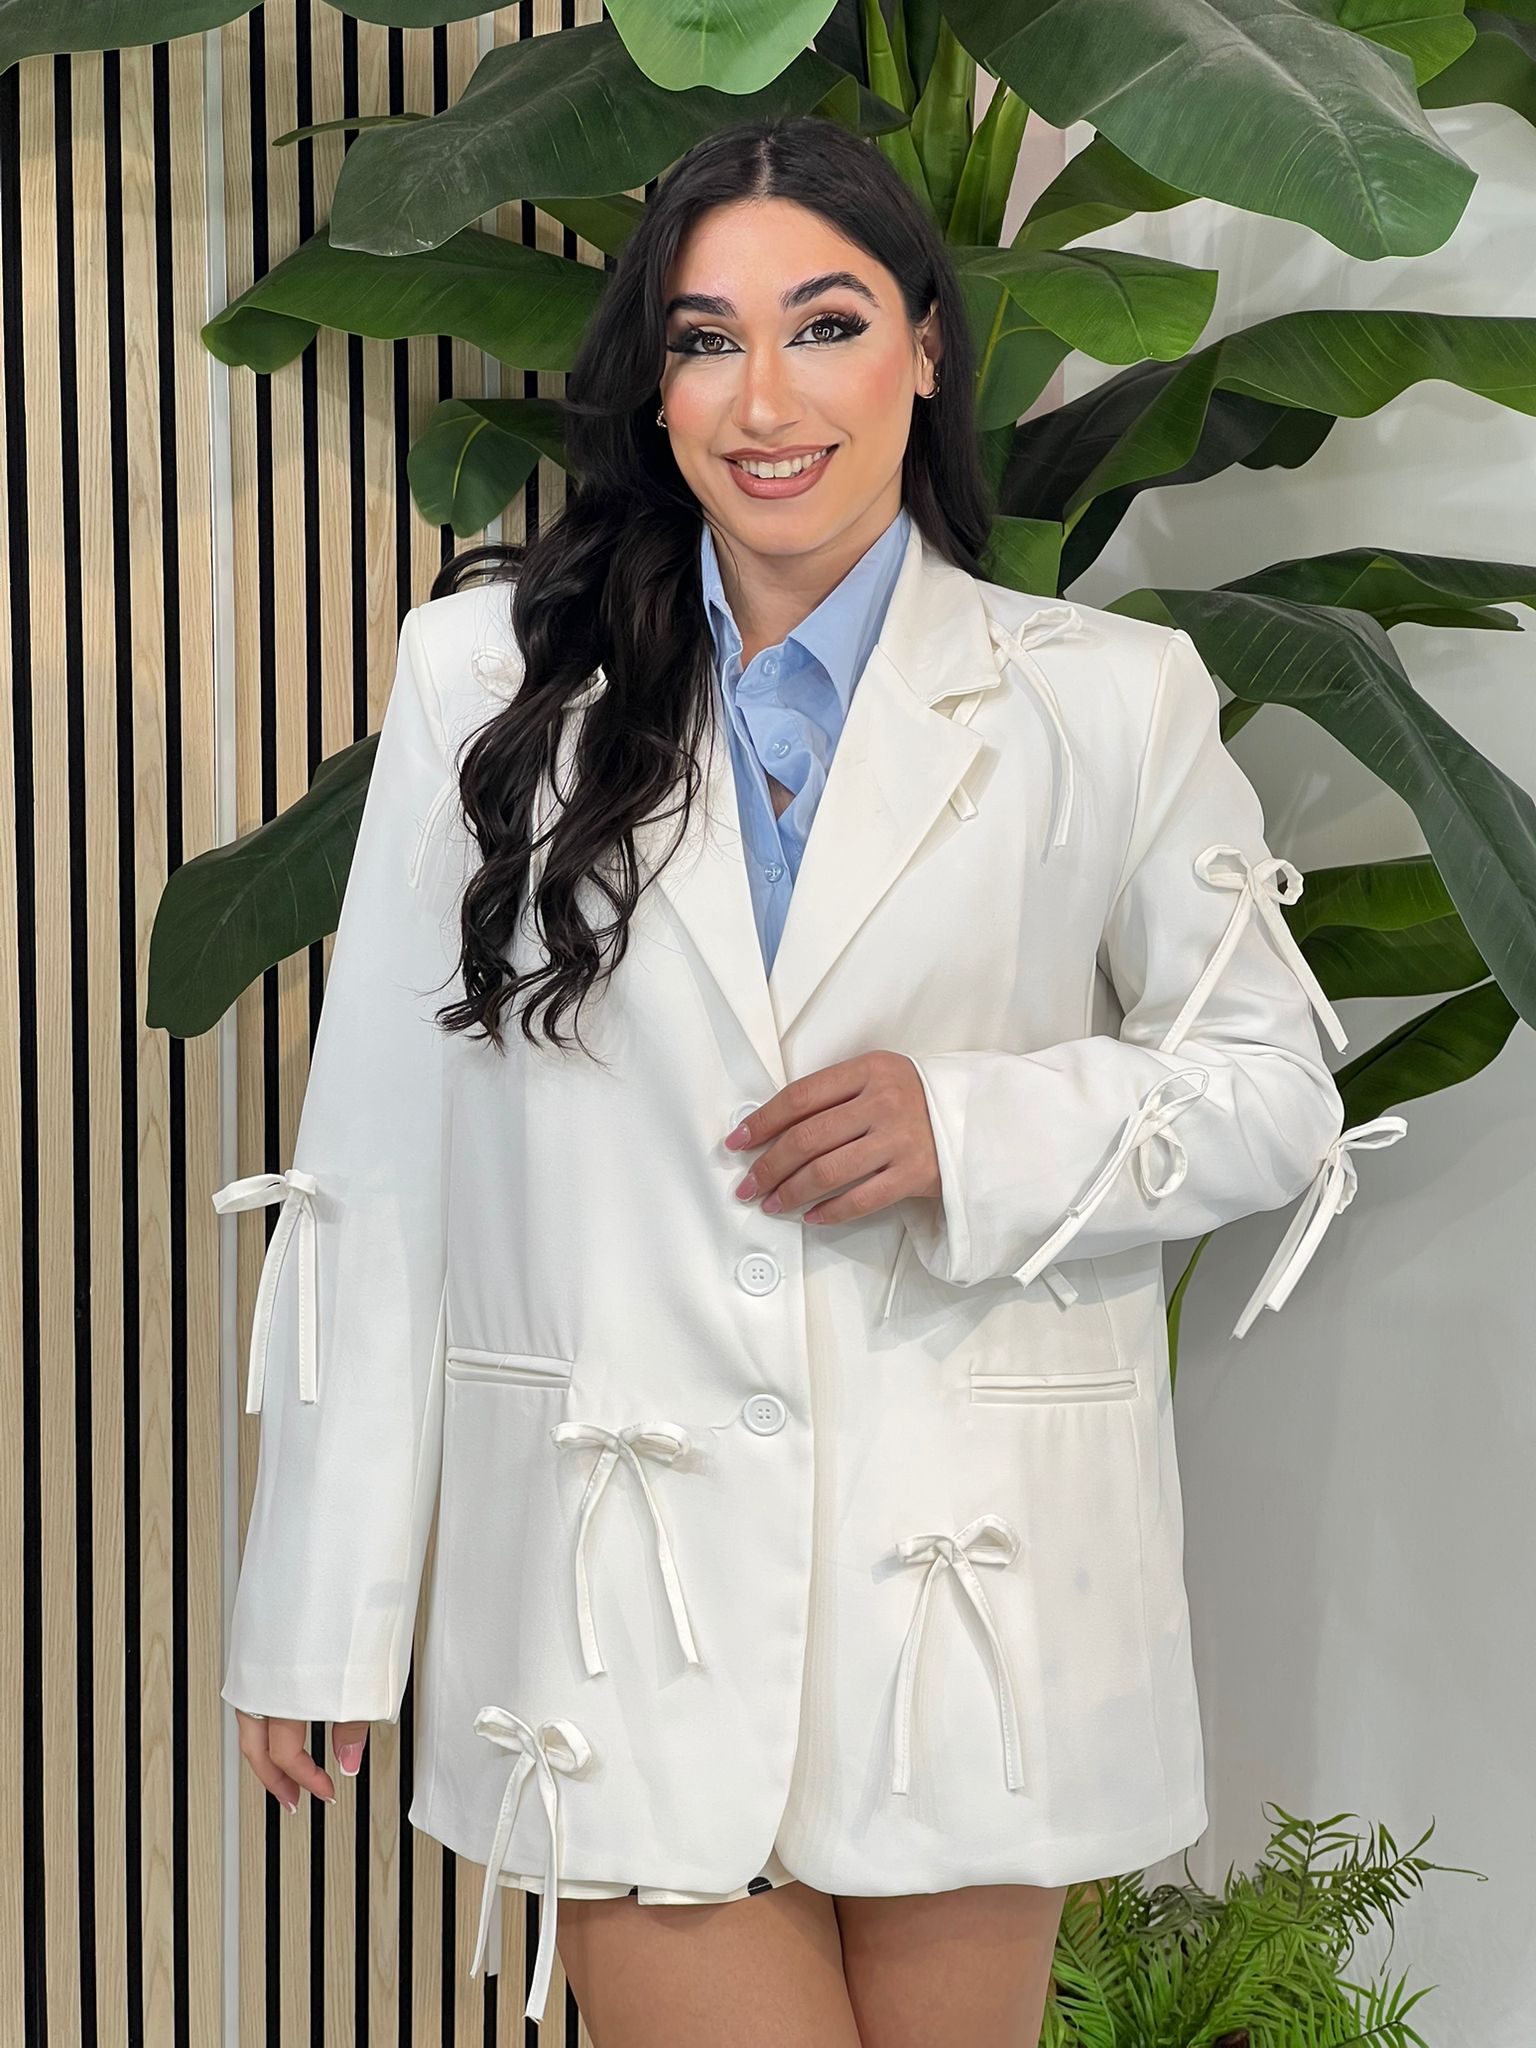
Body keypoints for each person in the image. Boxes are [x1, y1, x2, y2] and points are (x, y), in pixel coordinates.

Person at [220, 113, 1357, 2047]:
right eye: (705, 339)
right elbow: (382, 1164)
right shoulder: (486, 688)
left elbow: (1276, 1089)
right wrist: (318, 1615)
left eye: (824, 325)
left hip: (968, 1601)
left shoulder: (1105, 698)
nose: (765, 399)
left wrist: (970, 1126)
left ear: (923, 346)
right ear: (653, 386)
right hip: (622, 1601)